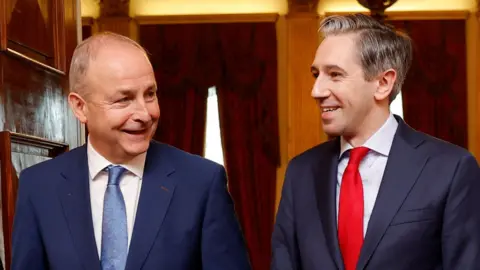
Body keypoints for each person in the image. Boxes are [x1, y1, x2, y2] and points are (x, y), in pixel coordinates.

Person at [11, 32, 251, 270]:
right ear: (80, 107)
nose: (145, 114)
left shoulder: (201, 182)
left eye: (150, 94)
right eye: (124, 99)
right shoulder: (39, 186)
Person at [271, 13, 480, 270]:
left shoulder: (451, 169)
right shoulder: (300, 172)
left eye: (335, 75)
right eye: (316, 74)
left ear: (383, 83)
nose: (316, 90)